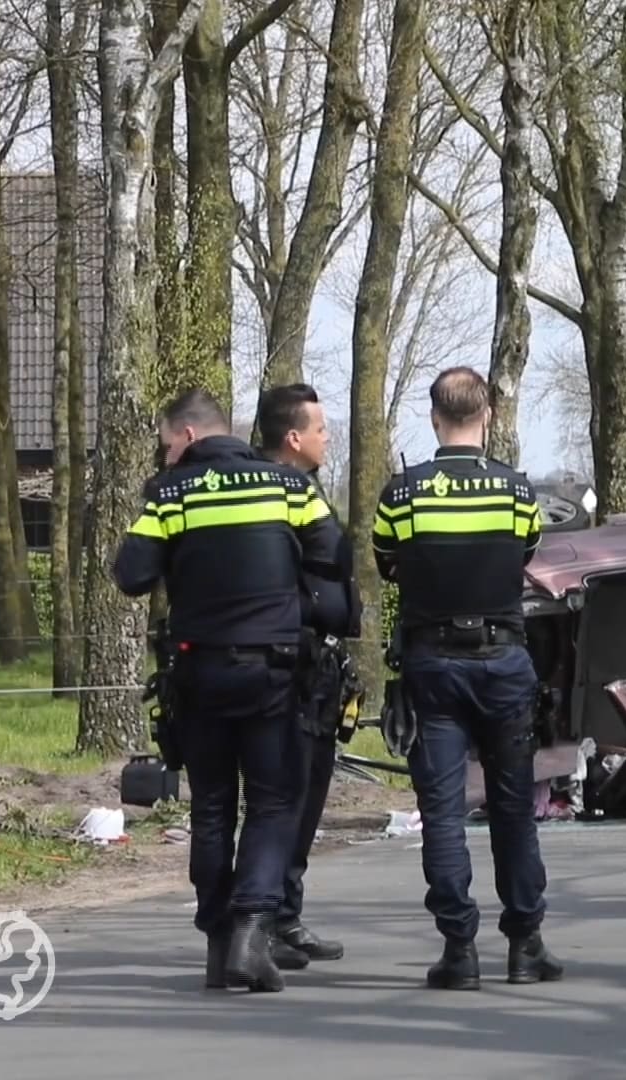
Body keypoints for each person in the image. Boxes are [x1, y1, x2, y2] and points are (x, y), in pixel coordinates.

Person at [112, 387, 346, 994]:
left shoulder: (168, 495)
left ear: (188, 436)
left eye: (166, 445)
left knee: (212, 806)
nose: (165, 457)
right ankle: (251, 928)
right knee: (272, 802)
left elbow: (132, 575)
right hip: (272, 669)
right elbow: (333, 557)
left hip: (198, 670)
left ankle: (220, 942)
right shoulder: (289, 488)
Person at [370, 366, 563, 991]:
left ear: (433, 417)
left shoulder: (402, 495)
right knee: (513, 809)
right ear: (489, 417)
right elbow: (526, 553)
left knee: (443, 812)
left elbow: (385, 563)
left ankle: (460, 950)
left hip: (434, 664)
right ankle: (526, 945)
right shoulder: (515, 491)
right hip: (503, 661)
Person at [253, 382, 361, 970]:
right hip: (286, 665)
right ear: (293, 438)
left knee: (307, 794)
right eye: (320, 429)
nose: (327, 438)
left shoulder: (309, 489)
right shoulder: (277, 495)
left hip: (316, 664)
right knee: (284, 796)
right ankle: (263, 918)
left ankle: (284, 915)